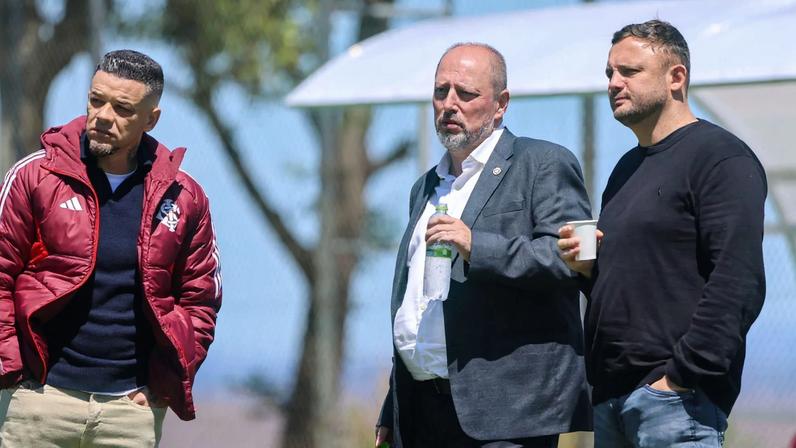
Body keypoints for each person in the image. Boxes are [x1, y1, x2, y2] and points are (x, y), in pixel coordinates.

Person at [558, 20, 766, 447]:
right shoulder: (626, 169)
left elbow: (739, 279)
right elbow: (641, 279)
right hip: (612, 399)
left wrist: (682, 377)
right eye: (609, 74)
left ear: (676, 77)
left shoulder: (719, 157)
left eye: (629, 72)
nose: (614, 83)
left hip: (674, 404)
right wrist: (584, 271)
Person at [0, 49, 222, 447]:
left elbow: (201, 301)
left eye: (122, 108)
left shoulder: (184, 197)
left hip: (129, 414)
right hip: (38, 403)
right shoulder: (34, 176)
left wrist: (160, 388)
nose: (103, 116)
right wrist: (14, 373)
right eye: (95, 99)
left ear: (151, 119)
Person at [376, 42, 592, 448]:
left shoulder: (545, 163)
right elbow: (418, 307)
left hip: (507, 416)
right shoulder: (424, 187)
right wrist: (393, 407)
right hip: (421, 412)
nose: (449, 104)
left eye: (466, 93)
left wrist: (478, 246)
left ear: (501, 104)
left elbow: (571, 263)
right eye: (441, 92)